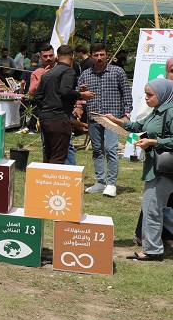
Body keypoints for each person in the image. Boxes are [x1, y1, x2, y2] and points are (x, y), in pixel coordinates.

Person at [106, 77, 173, 261]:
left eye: (150, 95)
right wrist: (116, 121)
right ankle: (153, 248)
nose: (146, 98)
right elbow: (138, 126)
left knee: (152, 208)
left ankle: (152, 250)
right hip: (155, 168)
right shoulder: (157, 111)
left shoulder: (170, 112)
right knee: (156, 207)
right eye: (145, 94)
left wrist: (154, 142)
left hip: (163, 170)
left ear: (163, 94)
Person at [80, 42, 131, 197]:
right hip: (94, 116)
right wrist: (81, 92)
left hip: (112, 117)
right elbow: (79, 93)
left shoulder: (117, 71)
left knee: (110, 148)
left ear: (107, 54)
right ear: (91, 56)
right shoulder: (85, 74)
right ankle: (100, 181)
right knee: (97, 149)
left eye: (102, 54)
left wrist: (127, 114)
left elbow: (126, 93)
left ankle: (111, 183)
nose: (99, 58)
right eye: (96, 55)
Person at [34, 45, 94, 164]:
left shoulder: (47, 73)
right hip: (59, 118)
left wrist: (46, 109)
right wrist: (81, 94)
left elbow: (37, 96)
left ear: (57, 57)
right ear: (72, 57)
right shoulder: (68, 71)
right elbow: (65, 91)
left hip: (45, 118)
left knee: (48, 154)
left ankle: (45, 175)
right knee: (58, 156)